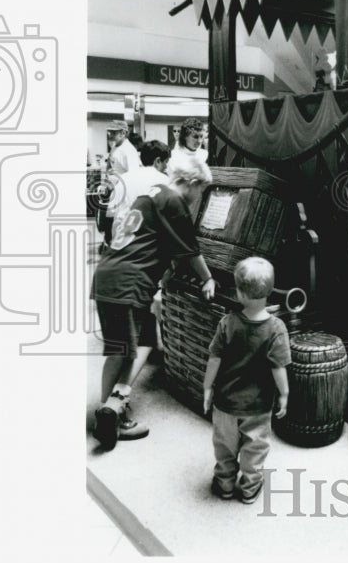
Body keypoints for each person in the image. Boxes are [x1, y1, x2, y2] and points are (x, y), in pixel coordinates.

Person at [91, 154, 216, 451]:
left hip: (108, 277)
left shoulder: (153, 192)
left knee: (140, 342)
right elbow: (190, 251)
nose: (201, 197)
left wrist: (166, 277)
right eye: (203, 191)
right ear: (193, 182)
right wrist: (208, 279)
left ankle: (111, 406)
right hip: (128, 284)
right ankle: (111, 414)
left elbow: (157, 242)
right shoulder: (174, 200)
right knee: (127, 350)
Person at [203, 257, 291, 504]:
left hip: (225, 403)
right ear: (270, 292)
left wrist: (207, 387)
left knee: (224, 446)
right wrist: (284, 394)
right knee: (255, 448)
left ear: (239, 293)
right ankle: (250, 487)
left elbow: (214, 359)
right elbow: (278, 367)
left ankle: (225, 483)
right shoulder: (276, 328)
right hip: (258, 407)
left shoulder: (227, 323)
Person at [100, 121, 141, 246]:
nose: (110, 134)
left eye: (113, 132)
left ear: (123, 133)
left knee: (117, 223)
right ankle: (109, 245)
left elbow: (134, 175)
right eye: (109, 131)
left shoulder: (129, 151)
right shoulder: (116, 146)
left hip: (123, 192)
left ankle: (116, 249)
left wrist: (116, 180)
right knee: (109, 222)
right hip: (114, 190)